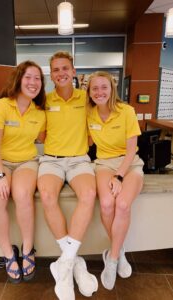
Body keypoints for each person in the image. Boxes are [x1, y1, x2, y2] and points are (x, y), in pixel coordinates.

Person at [37, 51, 98, 300]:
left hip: (79, 160)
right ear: (51, 75)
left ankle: (64, 264)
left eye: (65, 68)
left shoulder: (88, 98)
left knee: (89, 194)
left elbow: (96, 129)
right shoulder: (44, 101)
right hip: (51, 160)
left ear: (74, 71)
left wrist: (80, 144)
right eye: (56, 69)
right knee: (48, 195)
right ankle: (72, 262)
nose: (61, 73)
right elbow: (41, 136)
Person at [0, 61, 46, 283]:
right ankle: (9, 254)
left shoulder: (39, 112)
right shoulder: (1, 106)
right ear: (18, 79)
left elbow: (47, 137)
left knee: (21, 195)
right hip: (0, 162)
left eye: (38, 78)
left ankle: (28, 249)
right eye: (28, 77)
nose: (33, 82)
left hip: (27, 162)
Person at [86, 71, 144, 290]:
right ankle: (119, 252)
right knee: (107, 204)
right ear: (89, 92)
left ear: (111, 89)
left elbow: (131, 150)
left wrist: (119, 175)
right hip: (103, 164)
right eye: (95, 88)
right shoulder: (88, 113)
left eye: (104, 87)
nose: (100, 92)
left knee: (122, 204)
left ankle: (111, 259)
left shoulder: (126, 111)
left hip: (129, 165)